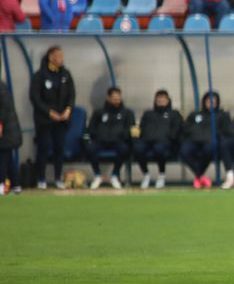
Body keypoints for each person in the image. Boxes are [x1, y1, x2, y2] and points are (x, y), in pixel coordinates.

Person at [30, 45, 74, 190]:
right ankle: (41, 178)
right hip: (45, 120)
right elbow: (35, 98)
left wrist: (68, 110)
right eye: (59, 56)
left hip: (62, 120)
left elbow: (71, 95)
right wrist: (49, 112)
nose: (61, 59)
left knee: (59, 148)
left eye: (62, 56)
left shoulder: (66, 74)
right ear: (51, 57)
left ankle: (57, 178)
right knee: (44, 147)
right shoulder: (39, 75)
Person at [84, 86, 134, 190]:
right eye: (114, 98)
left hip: (118, 141)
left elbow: (129, 129)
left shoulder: (127, 113)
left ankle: (115, 175)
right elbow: (91, 128)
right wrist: (97, 136)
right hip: (101, 141)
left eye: (118, 98)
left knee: (124, 149)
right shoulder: (99, 112)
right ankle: (97, 175)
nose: (116, 100)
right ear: (108, 98)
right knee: (89, 148)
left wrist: (122, 136)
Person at [133, 89, 182, 189]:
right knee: (137, 148)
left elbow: (177, 128)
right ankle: (146, 175)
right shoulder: (148, 113)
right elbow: (141, 127)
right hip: (147, 141)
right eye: (158, 98)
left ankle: (161, 175)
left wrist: (171, 138)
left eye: (163, 98)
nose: (161, 100)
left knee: (159, 149)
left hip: (165, 142)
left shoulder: (174, 113)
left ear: (168, 100)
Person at [180, 91, 228, 189]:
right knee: (184, 150)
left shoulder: (221, 115)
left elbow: (225, 130)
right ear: (204, 101)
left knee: (210, 149)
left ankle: (198, 177)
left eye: (213, 101)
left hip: (210, 141)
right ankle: (201, 176)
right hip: (193, 140)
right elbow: (186, 127)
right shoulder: (195, 114)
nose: (210, 103)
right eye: (208, 101)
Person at [0, 82, 22, 194]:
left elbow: (4, 108)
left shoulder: (1, 88)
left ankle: (2, 185)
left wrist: (0, 124)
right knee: (8, 159)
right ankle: (16, 185)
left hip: (7, 131)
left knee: (3, 157)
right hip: (9, 130)